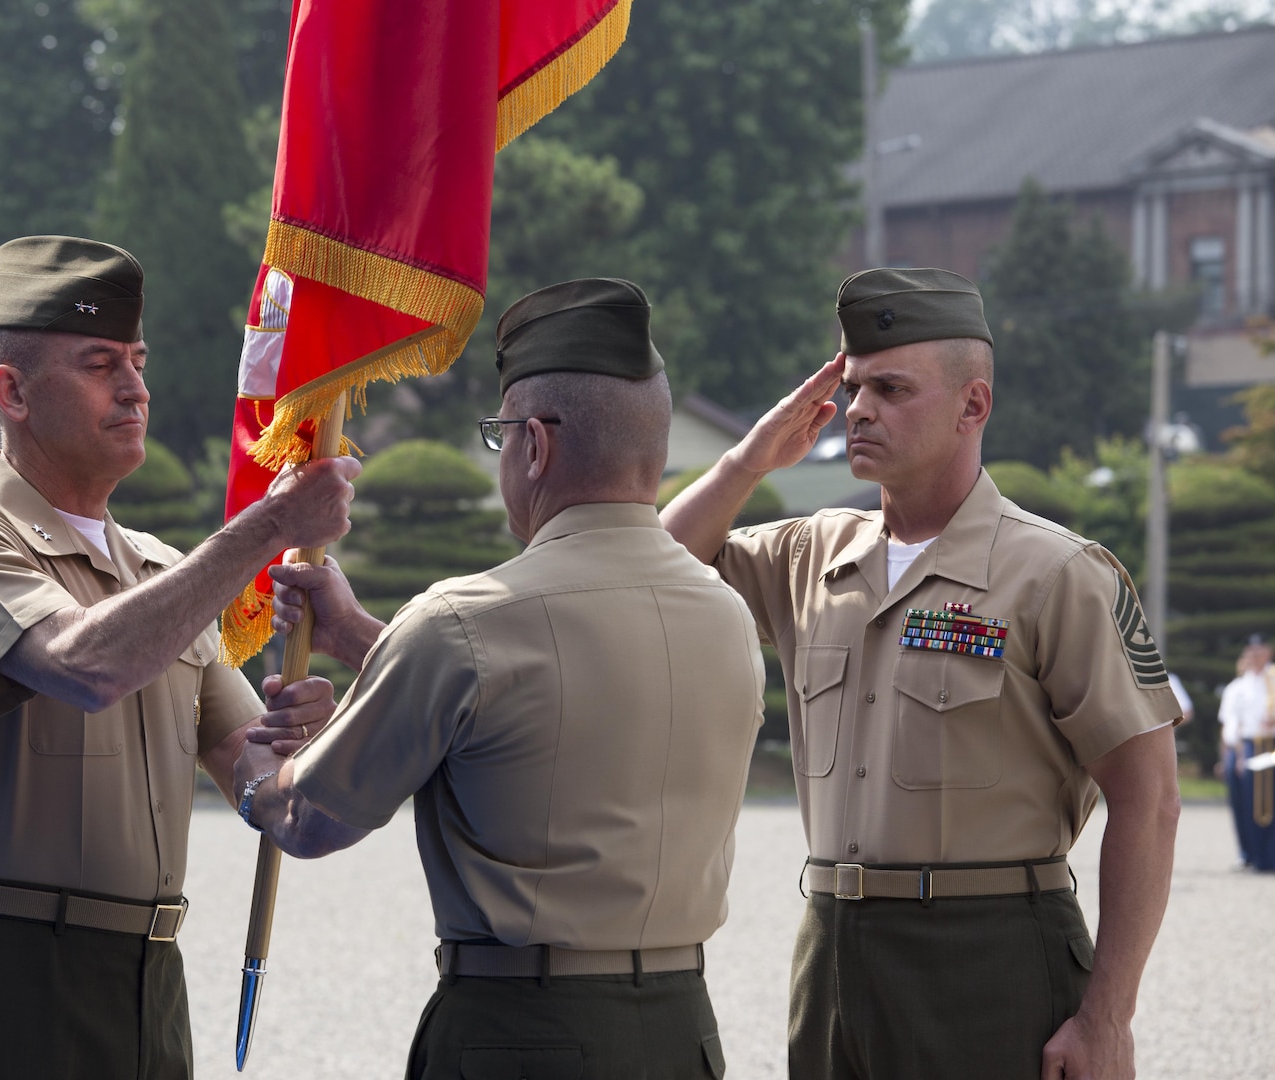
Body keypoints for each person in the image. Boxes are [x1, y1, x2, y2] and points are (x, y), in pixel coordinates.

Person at [234, 279, 767, 1078]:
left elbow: (312, 820)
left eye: (501, 435)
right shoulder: (726, 616)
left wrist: (252, 769)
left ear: (536, 447)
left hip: (520, 1034)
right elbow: (551, 710)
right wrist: (358, 639)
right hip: (681, 1031)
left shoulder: (463, 621)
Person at [661, 267, 1182, 1080]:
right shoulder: (811, 556)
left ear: (973, 406)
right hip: (833, 948)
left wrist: (1106, 1017)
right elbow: (656, 574)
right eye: (854, 385)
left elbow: (1149, 800)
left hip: (991, 954)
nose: (859, 409)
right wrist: (747, 460)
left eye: (892, 389)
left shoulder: (1055, 573)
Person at [0, 235, 358, 1080]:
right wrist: (266, 530)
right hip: (1, 975)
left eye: (137, 360)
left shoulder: (165, 576)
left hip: (147, 982)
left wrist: (300, 740)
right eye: (100, 363)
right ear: (12, 391)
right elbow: (84, 664)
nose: (135, 386)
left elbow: (265, 791)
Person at [1218, 635, 1275, 870]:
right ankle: (1249, 853)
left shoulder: (1272, 679)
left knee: (1267, 802)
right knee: (1245, 801)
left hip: (1270, 744)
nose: (1254, 657)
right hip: (1247, 745)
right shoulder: (1238, 687)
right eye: (1251, 652)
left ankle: (1268, 855)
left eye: (1259, 651)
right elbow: (1230, 725)